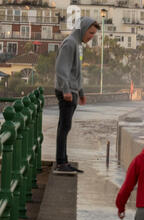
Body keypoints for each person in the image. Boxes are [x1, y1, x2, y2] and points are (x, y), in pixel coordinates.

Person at [54, 17, 100, 174]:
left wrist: (80, 92)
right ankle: (61, 163)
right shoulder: (70, 43)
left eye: (94, 34)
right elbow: (61, 69)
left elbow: (76, 72)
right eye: (91, 32)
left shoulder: (76, 44)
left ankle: (63, 161)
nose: (92, 36)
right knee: (64, 127)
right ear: (84, 28)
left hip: (72, 91)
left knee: (65, 127)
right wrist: (66, 90)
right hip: (66, 92)